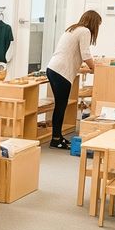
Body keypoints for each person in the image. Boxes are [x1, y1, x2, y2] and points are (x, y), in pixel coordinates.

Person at [45, 10, 101, 150]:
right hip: (61, 71)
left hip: (53, 68)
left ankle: (58, 137)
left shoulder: (73, 29)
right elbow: (86, 54)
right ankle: (55, 139)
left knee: (60, 105)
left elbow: (73, 53)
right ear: (94, 23)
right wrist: (96, 68)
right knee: (61, 106)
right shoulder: (85, 31)